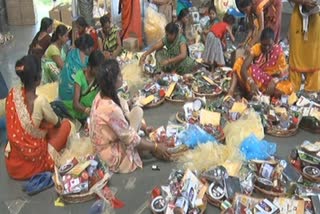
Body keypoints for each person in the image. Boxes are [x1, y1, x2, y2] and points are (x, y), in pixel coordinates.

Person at [89, 59, 170, 173]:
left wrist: (143, 128)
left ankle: (144, 140)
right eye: (119, 75)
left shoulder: (101, 95)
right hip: (109, 154)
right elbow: (130, 138)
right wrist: (156, 146)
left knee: (137, 111)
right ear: (112, 81)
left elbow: (124, 112)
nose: (122, 77)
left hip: (102, 144)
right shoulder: (111, 109)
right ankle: (144, 149)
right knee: (137, 123)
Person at [5, 55, 71, 180]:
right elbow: (57, 123)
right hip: (33, 165)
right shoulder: (40, 101)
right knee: (65, 125)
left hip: (13, 165)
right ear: (38, 79)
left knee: (44, 126)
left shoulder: (12, 94)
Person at [228, 27, 293, 97]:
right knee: (239, 62)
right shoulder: (256, 48)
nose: (267, 48)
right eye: (264, 45)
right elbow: (244, 68)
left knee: (288, 88)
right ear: (260, 42)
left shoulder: (278, 51)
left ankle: (254, 93)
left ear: (273, 42)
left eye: (269, 45)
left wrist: (274, 81)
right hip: (255, 78)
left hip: (270, 81)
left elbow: (284, 73)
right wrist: (251, 82)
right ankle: (230, 93)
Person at [58, 34, 94, 120]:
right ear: (88, 48)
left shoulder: (71, 52)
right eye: (92, 48)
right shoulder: (86, 60)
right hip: (72, 98)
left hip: (61, 93)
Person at [63, 50, 104, 122]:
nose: (99, 71)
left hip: (95, 113)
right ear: (91, 66)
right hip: (80, 114)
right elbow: (76, 104)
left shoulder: (100, 76)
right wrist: (88, 111)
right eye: (97, 69)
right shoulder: (80, 76)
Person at [289, 0, 320, 92]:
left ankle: (312, 91)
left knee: (314, 54)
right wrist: (303, 2)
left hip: (316, 19)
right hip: (298, 17)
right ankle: (293, 90)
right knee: (296, 53)